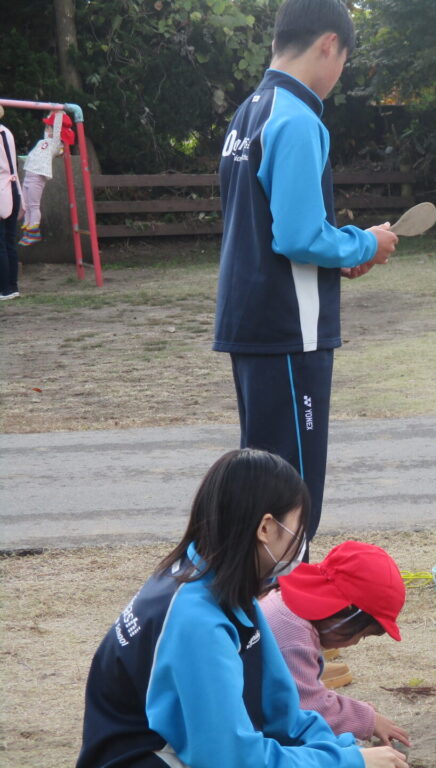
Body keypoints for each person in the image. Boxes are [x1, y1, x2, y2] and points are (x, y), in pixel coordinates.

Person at [77, 449, 407, 768]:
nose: (300, 541)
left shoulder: (220, 585)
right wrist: (348, 762)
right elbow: (231, 759)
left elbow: (279, 709)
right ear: (266, 528)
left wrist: (345, 751)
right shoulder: (196, 621)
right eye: (298, 527)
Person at [214, 0, 398, 546]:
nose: (339, 74)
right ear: (328, 44)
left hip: (251, 322)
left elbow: (272, 228)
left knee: (260, 486)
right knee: (290, 495)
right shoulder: (297, 119)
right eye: (344, 60)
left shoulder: (249, 113)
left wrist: (342, 257)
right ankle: (284, 596)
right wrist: (366, 242)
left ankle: (255, 592)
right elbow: (296, 236)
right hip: (290, 332)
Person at [262, 540, 411, 747]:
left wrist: (357, 712)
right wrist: (368, 720)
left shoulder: (284, 605)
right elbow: (309, 708)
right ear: (347, 614)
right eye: (362, 635)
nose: (355, 643)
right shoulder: (293, 637)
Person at [18, 110, 74, 246]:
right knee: (25, 205)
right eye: (47, 128)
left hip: (37, 176)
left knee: (33, 205)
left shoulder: (55, 144)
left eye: (50, 128)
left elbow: (56, 129)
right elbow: (48, 128)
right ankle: (27, 232)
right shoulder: (43, 141)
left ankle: (34, 233)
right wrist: (50, 115)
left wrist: (59, 114)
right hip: (29, 174)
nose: (47, 129)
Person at [0, 105, 22, 300]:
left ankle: (5, 289)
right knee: (9, 240)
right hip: (14, 188)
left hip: (2, 189)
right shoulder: (7, 131)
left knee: (1, 242)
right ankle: (12, 286)